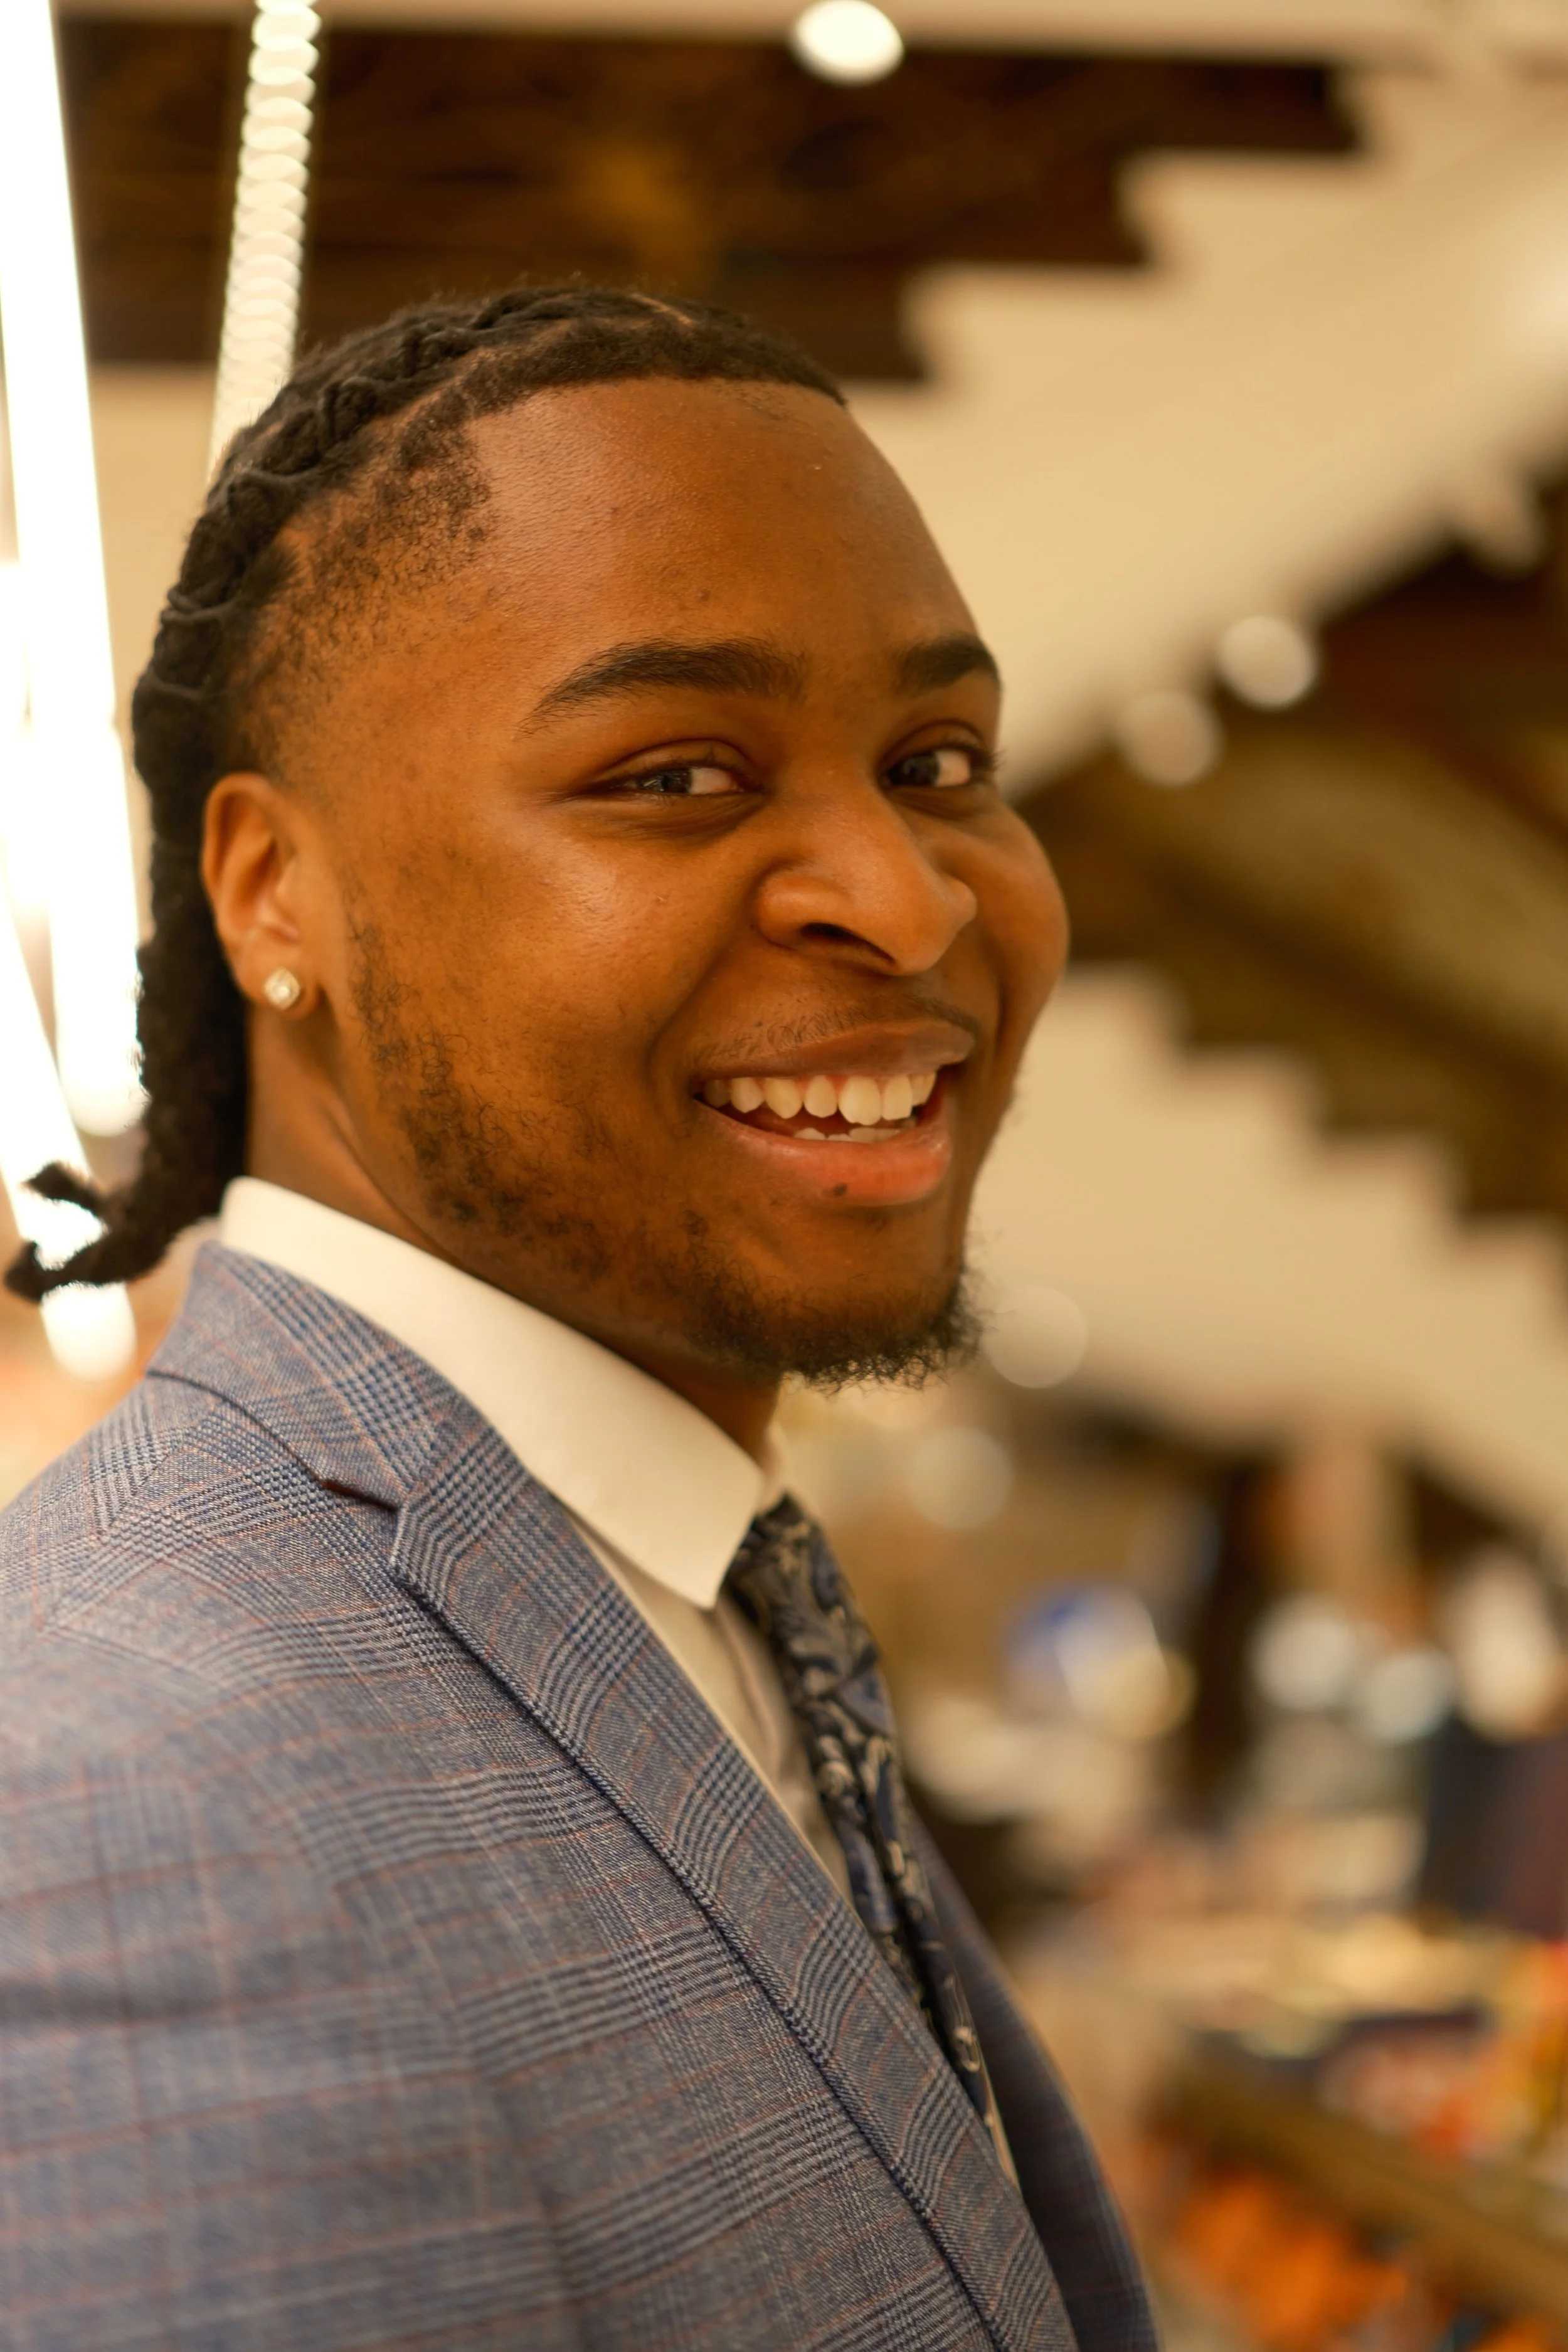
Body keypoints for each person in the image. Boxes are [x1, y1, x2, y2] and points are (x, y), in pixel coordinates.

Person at [0, 285, 1153, 2351]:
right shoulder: (123, 1791)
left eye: (939, 758)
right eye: (677, 772)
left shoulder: (669, 1582)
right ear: (278, 895)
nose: (904, 897)